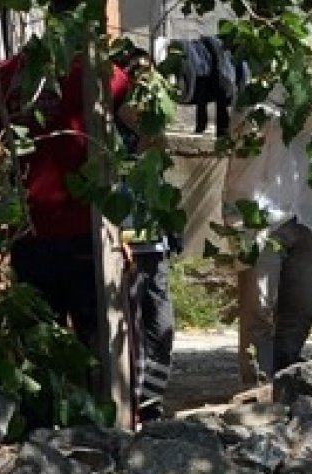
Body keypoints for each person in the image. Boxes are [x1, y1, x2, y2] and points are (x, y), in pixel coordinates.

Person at [0, 26, 131, 353]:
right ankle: (105, 404)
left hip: (29, 238)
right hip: (88, 240)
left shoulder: (2, 77)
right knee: (102, 353)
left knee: (40, 357)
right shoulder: (99, 74)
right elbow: (149, 129)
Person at [222, 96, 312, 385]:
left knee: (303, 307)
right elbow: (264, 126)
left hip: (302, 215)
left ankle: (285, 377)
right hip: (256, 217)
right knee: (258, 310)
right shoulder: (251, 104)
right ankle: (259, 384)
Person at [113, 46, 175, 422]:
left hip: (153, 238)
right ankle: (137, 407)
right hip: (121, 239)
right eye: (136, 74)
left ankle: (151, 398)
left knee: (161, 325)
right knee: (130, 329)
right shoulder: (106, 129)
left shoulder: (149, 127)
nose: (143, 82)